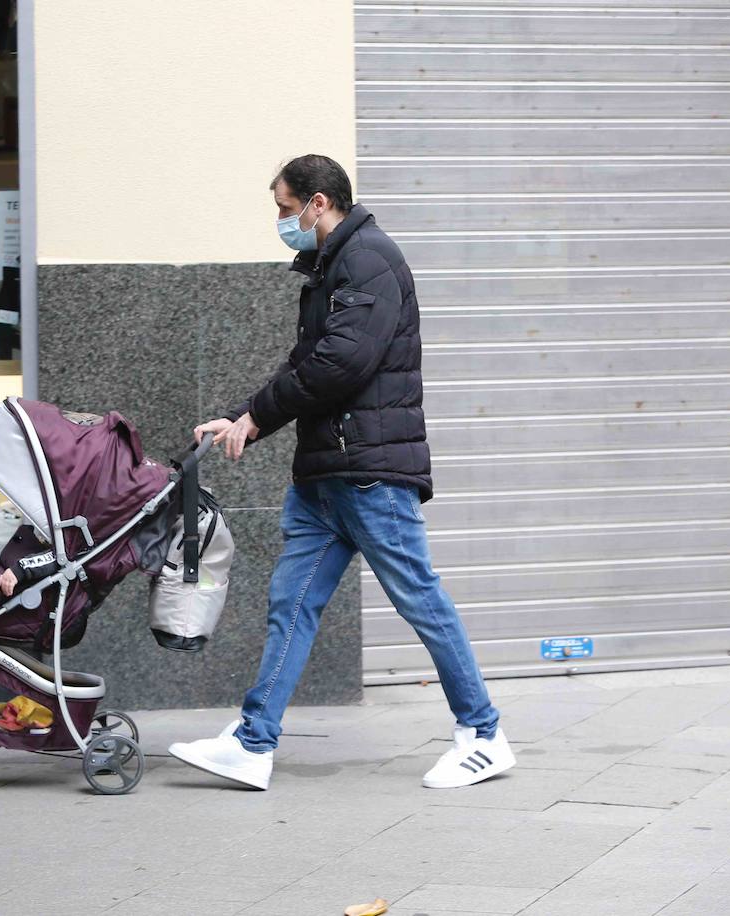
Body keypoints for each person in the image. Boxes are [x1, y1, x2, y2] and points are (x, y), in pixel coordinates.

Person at [168, 154, 513, 791]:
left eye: (283, 207)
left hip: (370, 473)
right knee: (290, 608)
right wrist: (243, 416)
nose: (281, 220)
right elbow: (304, 362)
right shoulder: (334, 266)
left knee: (421, 601)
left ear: (318, 203)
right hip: (328, 476)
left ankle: (484, 734)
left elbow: (341, 364)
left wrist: (256, 418)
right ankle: (253, 743)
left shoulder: (370, 260)